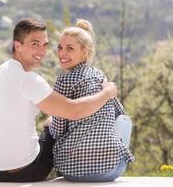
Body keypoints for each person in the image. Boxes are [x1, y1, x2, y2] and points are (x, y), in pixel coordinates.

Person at [0, 18, 118, 182]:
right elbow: (74, 111)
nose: (42, 50)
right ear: (17, 45)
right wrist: (108, 92)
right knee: (53, 125)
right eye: (35, 44)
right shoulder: (29, 79)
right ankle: (81, 166)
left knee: (51, 122)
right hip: (26, 170)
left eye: (45, 45)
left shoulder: (1, 70)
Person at [49, 19, 135, 182]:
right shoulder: (100, 76)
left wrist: (51, 122)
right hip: (113, 168)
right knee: (123, 122)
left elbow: (58, 131)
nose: (62, 53)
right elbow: (121, 115)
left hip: (73, 171)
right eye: (60, 47)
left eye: (70, 48)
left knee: (50, 127)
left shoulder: (63, 81)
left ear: (85, 52)